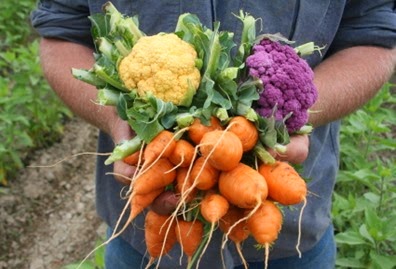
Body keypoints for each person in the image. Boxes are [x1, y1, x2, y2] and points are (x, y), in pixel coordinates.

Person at [30, 1, 396, 268]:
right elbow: (61, 30)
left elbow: (373, 35)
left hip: (294, 241)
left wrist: (295, 112)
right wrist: (118, 122)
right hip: (145, 242)